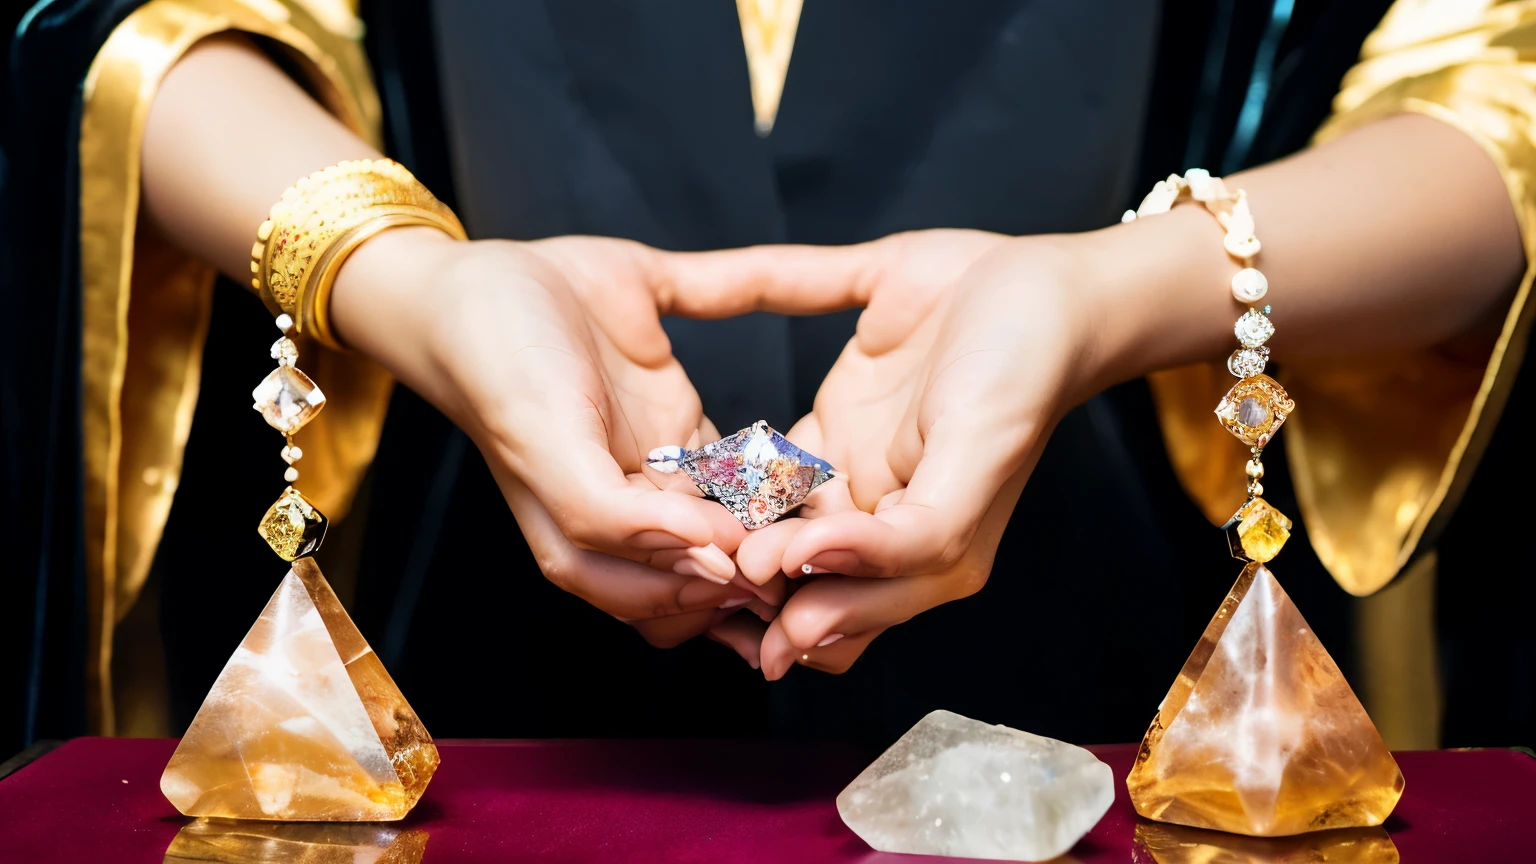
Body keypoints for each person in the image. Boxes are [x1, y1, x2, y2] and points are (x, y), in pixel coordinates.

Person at [4, 0, 1533, 754]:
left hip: (1112, 688)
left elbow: (1498, 79)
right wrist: (413, 282)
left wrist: (1109, 291)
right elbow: (136, 27)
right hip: (474, 682)